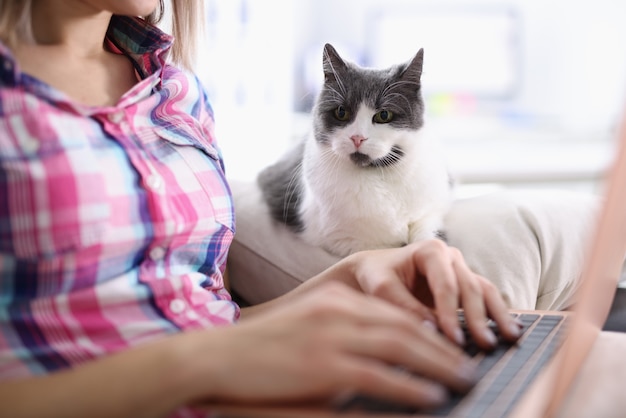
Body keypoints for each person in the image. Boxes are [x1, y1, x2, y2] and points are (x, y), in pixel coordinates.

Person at [0, 1, 522, 417]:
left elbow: (210, 316)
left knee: (545, 377)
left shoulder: (177, 96)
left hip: (231, 391)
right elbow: (206, 353)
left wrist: (353, 273)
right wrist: (193, 365)